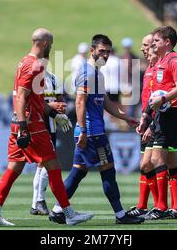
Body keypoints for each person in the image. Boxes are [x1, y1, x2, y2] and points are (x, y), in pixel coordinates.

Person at [0, 28, 93, 226]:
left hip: (20, 122)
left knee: (14, 168)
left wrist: (52, 113)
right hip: (31, 124)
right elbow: (21, 96)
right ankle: (69, 214)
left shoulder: (23, 62)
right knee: (53, 166)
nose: (51, 49)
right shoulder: (35, 65)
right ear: (44, 43)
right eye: (50, 45)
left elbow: (33, 98)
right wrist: (24, 127)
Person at [49, 34, 144, 225]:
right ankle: (120, 214)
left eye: (108, 51)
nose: (106, 55)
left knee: (79, 171)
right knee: (108, 171)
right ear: (92, 51)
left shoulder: (98, 73)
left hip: (91, 131)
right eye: (102, 51)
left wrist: (125, 117)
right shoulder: (88, 73)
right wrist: (83, 130)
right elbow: (79, 102)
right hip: (92, 133)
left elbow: (105, 102)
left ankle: (58, 210)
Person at [138, 26, 177, 220]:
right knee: (164, 161)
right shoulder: (160, 63)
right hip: (160, 114)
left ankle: (161, 207)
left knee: (157, 160)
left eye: (156, 41)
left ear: (167, 42)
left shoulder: (175, 60)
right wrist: (147, 116)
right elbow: (153, 96)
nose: (152, 44)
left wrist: (163, 99)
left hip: (171, 113)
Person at [126, 34, 159, 218]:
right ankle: (145, 205)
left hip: (157, 122)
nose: (142, 49)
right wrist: (143, 119)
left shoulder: (160, 69)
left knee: (150, 163)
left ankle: (161, 206)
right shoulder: (149, 69)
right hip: (147, 120)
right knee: (145, 164)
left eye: (145, 45)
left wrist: (152, 124)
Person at [30, 61, 67, 216]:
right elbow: (34, 102)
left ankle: (35, 203)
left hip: (50, 123)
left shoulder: (52, 79)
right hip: (37, 123)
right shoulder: (32, 78)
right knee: (47, 161)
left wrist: (61, 106)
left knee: (42, 164)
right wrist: (53, 106)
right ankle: (38, 200)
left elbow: (60, 99)